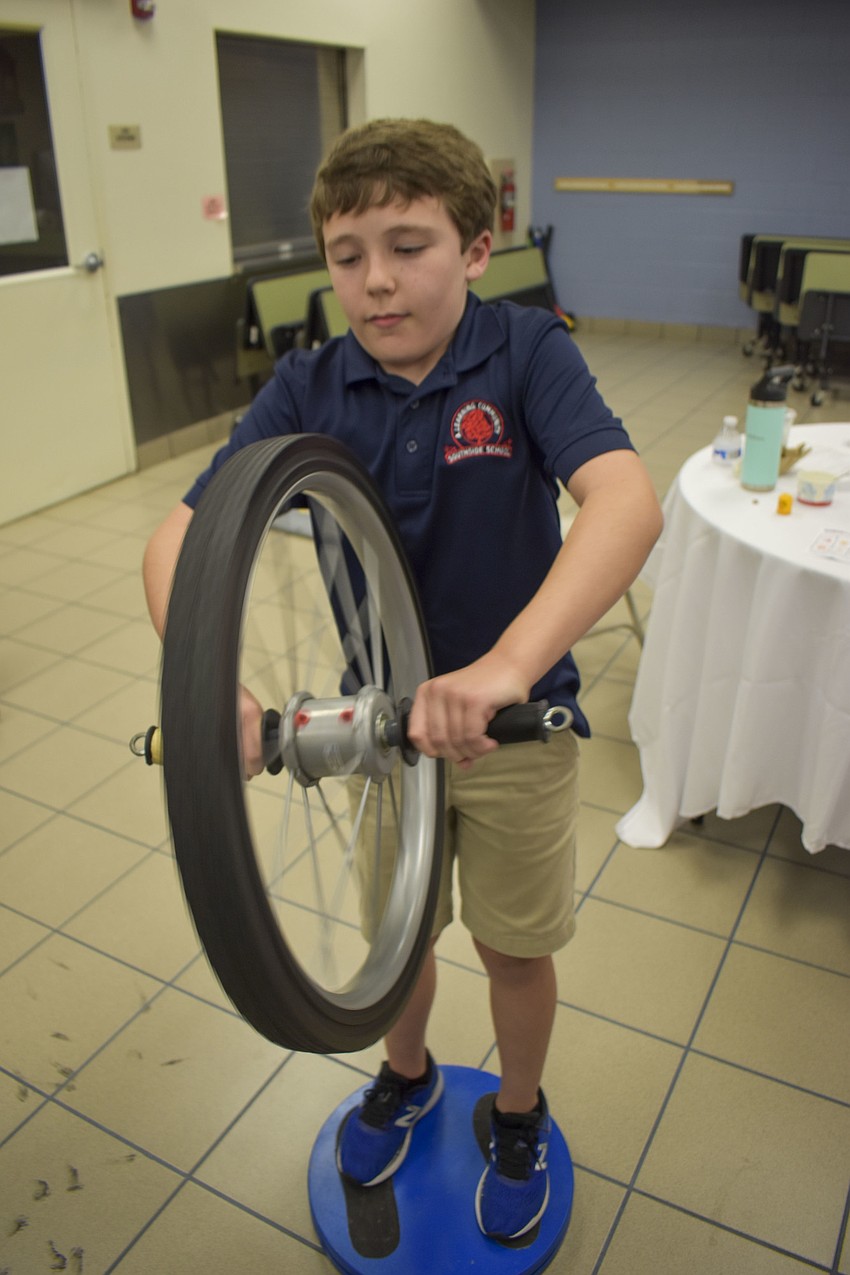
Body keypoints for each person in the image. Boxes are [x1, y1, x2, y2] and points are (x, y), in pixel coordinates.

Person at [143, 117, 662, 1243]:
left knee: (513, 946)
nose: (374, 282)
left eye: (409, 244)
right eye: (345, 256)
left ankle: (518, 1110)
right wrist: (209, 686)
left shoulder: (527, 352)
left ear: (476, 250)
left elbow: (626, 504)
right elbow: (176, 543)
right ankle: (410, 1072)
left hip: (516, 728)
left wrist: (504, 668)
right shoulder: (307, 384)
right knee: (399, 938)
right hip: (379, 732)